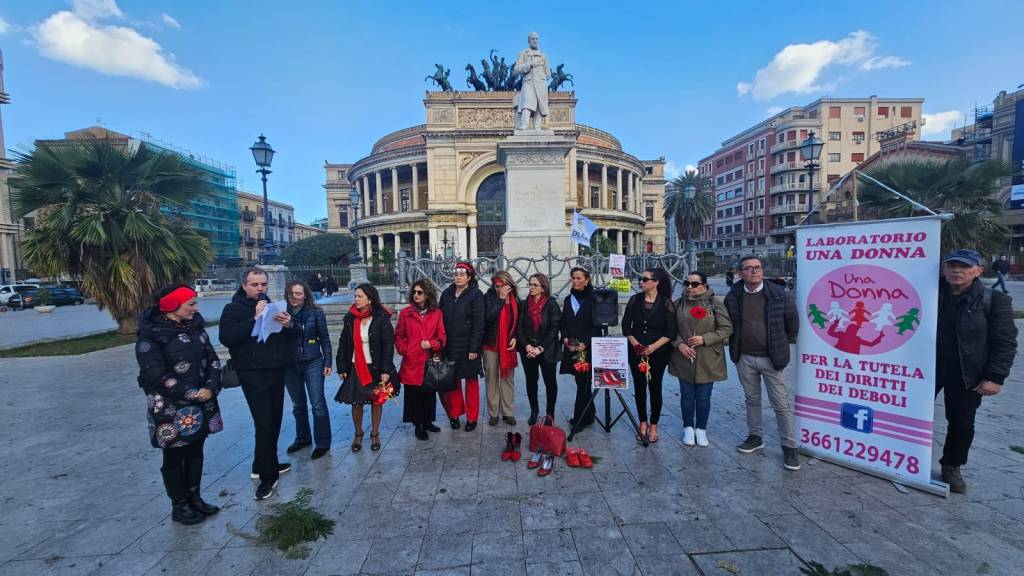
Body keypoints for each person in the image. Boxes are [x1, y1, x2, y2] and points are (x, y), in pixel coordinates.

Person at [136, 284, 223, 524]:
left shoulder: (196, 328)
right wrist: (193, 393)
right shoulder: (151, 336)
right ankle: (180, 504)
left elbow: (212, 359)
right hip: (170, 406)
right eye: (191, 304)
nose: (196, 308)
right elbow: (156, 375)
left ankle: (195, 497)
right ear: (172, 306)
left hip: (201, 402)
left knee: (196, 450)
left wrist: (211, 386)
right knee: (175, 455)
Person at [936, 249, 1017, 493]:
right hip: (927, 368)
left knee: (961, 421)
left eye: (964, 267)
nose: (957, 271)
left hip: (966, 370)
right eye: (952, 265)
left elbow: (1005, 341)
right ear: (943, 268)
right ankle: (902, 456)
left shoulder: (994, 300)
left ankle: (952, 465)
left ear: (978, 271)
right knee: (908, 412)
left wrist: (995, 377)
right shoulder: (926, 292)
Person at [220, 267, 299, 500]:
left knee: (274, 420)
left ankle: (262, 463)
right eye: (255, 285)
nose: (260, 288)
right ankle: (267, 476)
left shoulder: (272, 305)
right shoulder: (233, 309)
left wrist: (289, 324)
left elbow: (293, 335)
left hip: (276, 369)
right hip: (252, 373)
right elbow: (228, 337)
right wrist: (253, 318)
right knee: (264, 422)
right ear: (244, 285)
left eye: (263, 284)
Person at [723, 256, 801, 471]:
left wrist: (780, 344)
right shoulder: (734, 296)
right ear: (740, 273)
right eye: (749, 268)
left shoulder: (778, 294)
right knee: (752, 400)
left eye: (757, 267)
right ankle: (755, 436)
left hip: (772, 358)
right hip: (745, 357)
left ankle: (789, 446)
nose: (754, 271)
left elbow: (792, 324)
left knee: (781, 403)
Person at [669, 272, 733, 447]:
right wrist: (679, 344)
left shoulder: (714, 303)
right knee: (686, 395)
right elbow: (670, 329)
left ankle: (701, 429)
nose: (690, 287)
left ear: (704, 285)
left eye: (695, 284)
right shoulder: (678, 304)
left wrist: (704, 339)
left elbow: (726, 328)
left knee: (704, 396)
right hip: (684, 356)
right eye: (686, 283)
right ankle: (688, 428)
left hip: (707, 357)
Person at [336, 283, 395, 452]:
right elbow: (343, 343)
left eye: (360, 296)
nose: (356, 299)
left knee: (376, 401)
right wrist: (342, 367)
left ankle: (375, 434)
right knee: (356, 402)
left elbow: (388, 346)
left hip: (375, 367)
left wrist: (385, 370)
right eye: (355, 296)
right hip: (356, 367)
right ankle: (358, 433)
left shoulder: (381, 318)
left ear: (370, 299)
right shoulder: (350, 318)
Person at [621, 268, 677, 443]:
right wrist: (635, 343)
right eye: (641, 279)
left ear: (656, 282)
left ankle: (654, 425)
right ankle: (642, 422)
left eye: (645, 279)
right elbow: (626, 325)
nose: (641, 282)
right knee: (639, 388)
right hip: (636, 351)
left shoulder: (666, 303)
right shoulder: (635, 300)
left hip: (658, 352)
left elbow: (671, 331)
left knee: (655, 388)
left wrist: (653, 347)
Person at [283, 281, 333, 460]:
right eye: (291, 294)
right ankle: (303, 437)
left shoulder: (316, 312)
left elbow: (324, 338)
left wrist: (328, 361)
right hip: (290, 362)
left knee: (317, 403)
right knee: (298, 404)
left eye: (298, 293)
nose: (294, 297)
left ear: (305, 295)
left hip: (313, 361)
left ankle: (323, 442)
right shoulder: (281, 313)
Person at [395, 279, 447, 440]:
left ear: (427, 295)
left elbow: (442, 336)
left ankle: (428, 421)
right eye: (414, 292)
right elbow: (398, 335)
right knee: (414, 395)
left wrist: (432, 344)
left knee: (429, 393)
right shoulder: (406, 313)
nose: (416, 295)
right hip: (412, 360)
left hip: (429, 359)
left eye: (420, 292)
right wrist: (405, 350)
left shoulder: (436, 313)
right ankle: (418, 425)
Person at [439, 262, 485, 431]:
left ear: (469, 277)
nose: (458, 277)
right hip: (450, 346)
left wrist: (474, 348)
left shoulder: (476, 295)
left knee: (471, 382)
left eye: (462, 274)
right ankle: (455, 415)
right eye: (456, 274)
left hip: (468, 347)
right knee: (453, 382)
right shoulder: (446, 294)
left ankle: (472, 418)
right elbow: (439, 317)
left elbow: (479, 323)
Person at [560, 267, 602, 429]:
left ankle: (580, 419)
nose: (575, 281)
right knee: (580, 381)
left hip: (587, 346)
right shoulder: (568, 299)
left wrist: (585, 343)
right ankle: (589, 413)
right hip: (572, 346)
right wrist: (565, 338)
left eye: (579, 278)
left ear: (587, 280)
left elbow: (597, 325)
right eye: (573, 278)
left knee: (584, 382)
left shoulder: (595, 298)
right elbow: (563, 322)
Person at [518, 273, 561, 426]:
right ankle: (534, 410)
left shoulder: (551, 304)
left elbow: (554, 329)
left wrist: (540, 348)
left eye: (535, 285)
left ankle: (550, 413)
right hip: (528, 349)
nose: (531, 287)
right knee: (531, 381)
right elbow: (519, 327)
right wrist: (527, 346)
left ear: (543, 288)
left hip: (547, 349)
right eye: (530, 284)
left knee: (550, 382)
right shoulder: (524, 304)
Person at [482, 270, 520, 426]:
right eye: (496, 286)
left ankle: (508, 412)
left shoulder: (515, 299)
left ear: (509, 285)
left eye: (502, 285)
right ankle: (493, 413)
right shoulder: (488, 297)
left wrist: (515, 337)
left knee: (507, 379)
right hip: (490, 344)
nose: (499, 289)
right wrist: (500, 299)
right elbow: (488, 318)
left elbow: (518, 322)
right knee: (491, 378)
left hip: (507, 344)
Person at [513, 31, 550, 130]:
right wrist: (529, 64)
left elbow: (548, 73)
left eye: (537, 39)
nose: (535, 41)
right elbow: (516, 70)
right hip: (528, 82)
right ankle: (524, 124)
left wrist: (541, 77)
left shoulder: (543, 56)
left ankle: (537, 127)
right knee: (527, 102)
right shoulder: (523, 54)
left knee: (540, 105)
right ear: (529, 41)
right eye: (533, 39)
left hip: (541, 83)